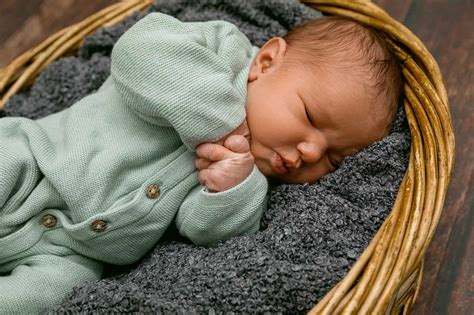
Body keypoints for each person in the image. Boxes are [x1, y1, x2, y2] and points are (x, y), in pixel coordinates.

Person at [0, 12, 402, 313]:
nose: (311, 154)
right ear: (266, 63)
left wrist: (232, 190)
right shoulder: (220, 51)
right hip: (31, 163)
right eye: (311, 117)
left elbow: (198, 227)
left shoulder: (252, 180)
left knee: (49, 294)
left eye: (333, 158)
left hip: (72, 252)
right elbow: (138, 51)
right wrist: (224, 125)